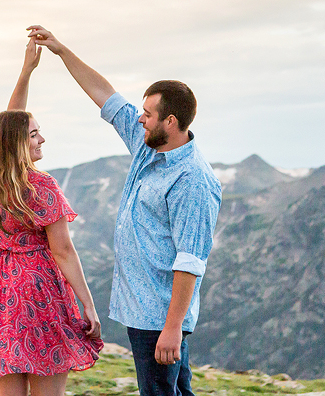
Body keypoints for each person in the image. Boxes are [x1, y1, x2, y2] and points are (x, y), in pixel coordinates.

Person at [27, 25, 221, 396]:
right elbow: (105, 96)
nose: (139, 118)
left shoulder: (193, 181)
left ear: (171, 123)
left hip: (160, 316)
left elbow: (190, 261)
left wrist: (172, 328)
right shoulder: (148, 144)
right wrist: (61, 50)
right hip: (142, 310)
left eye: (148, 113)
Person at [0, 36, 103, 396]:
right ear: (18, 143)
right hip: (39, 291)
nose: (42, 139)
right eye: (35, 134)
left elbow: (8, 125)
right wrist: (88, 305)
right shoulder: (43, 187)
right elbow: (64, 252)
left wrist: (26, 72)